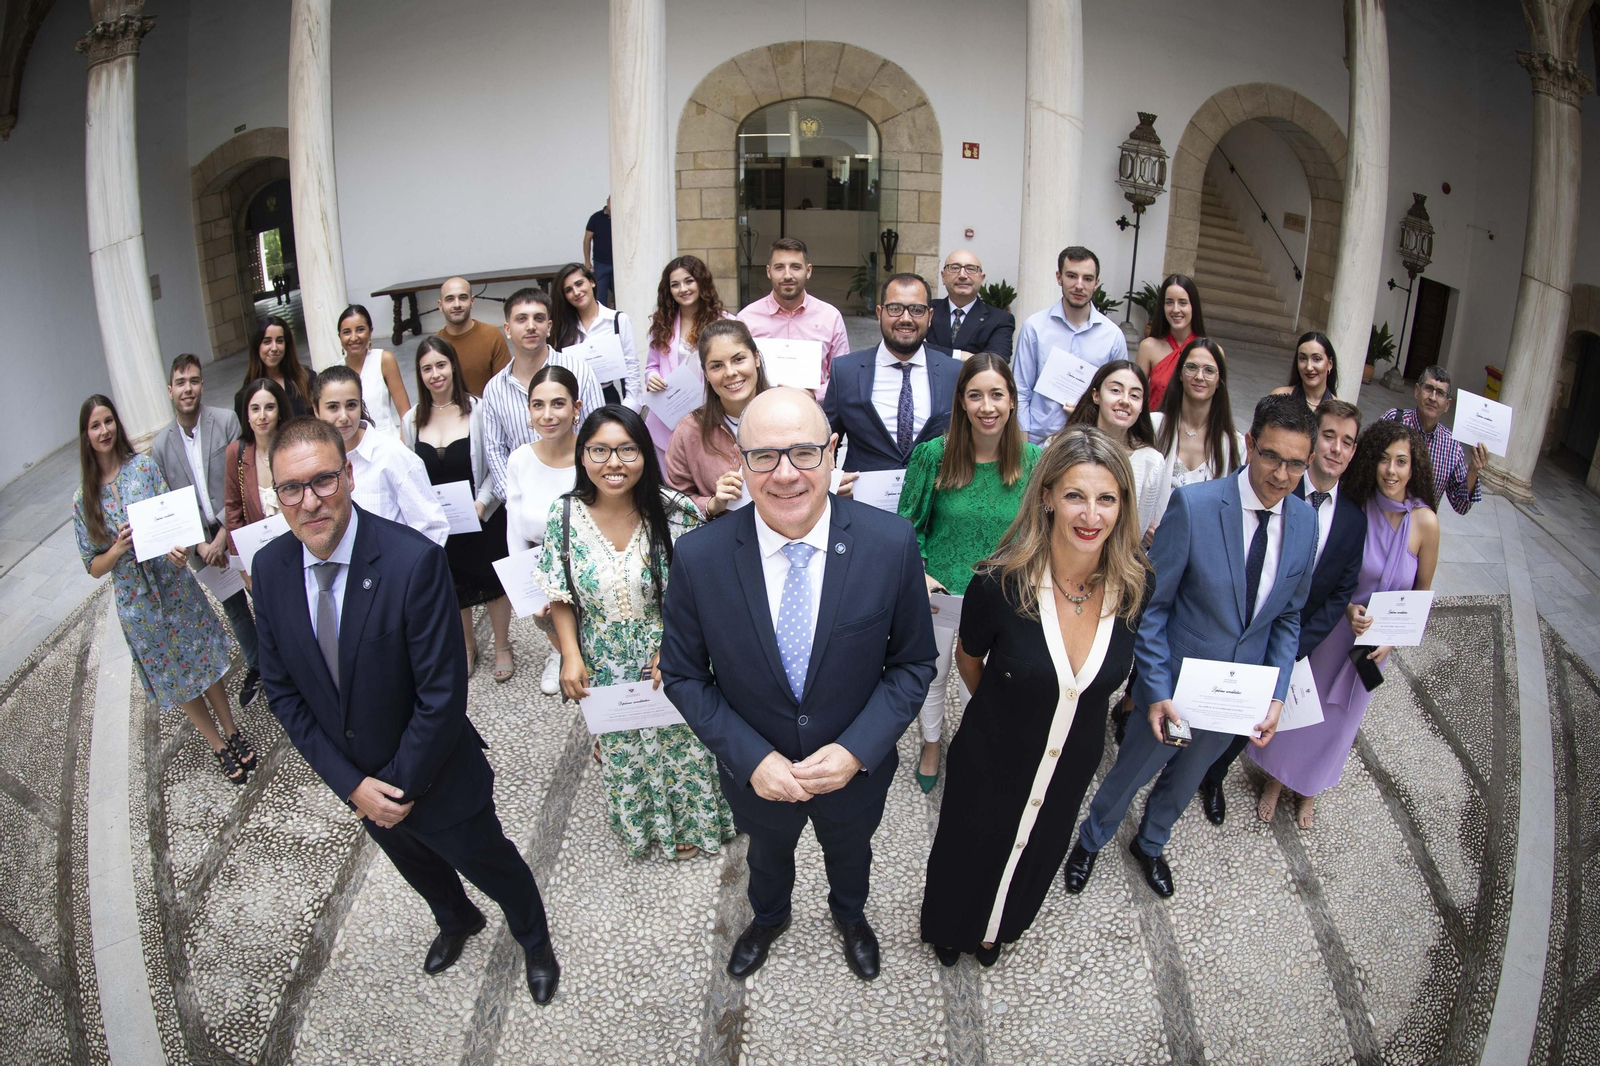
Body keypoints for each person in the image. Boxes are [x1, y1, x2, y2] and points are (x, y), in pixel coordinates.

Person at [252, 417, 560, 1003]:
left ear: (347, 476)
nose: (309, 501)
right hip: (360, 782)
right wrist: (354, 786)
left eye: (322, 481)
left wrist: (395, 789)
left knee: (491, 863)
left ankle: (534, 936)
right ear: (277, 495)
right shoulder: (269, 570)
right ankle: (455, 919)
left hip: (436, 776)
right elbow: (283, 691)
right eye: (291, 488)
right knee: (417, 865)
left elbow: (441, 696)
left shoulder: (411, 562)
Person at [659, 388, 938, 982]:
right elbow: (683, 674)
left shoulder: (890, 545)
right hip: (755, 775)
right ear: (740, 460)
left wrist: (857, 750)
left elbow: (913, 665)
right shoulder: (699, 559)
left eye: (805, 453)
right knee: (767, 856)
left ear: (833, 452)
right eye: (765, 456)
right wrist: (751, 758)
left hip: (853, 773)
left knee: (851, 854)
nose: (786, 474)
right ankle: (768, 917)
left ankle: (850, 916)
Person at [1065, 395, 1319, 899]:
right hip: (1176, 690)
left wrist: (1274, 694)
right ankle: (1091, 839)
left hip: (1238, 696)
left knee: (1187, 781)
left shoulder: (1307, 522)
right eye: (1271, 456)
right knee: (1133, 771)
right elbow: (1152, 608)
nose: (1281, 474)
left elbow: (1288, 616)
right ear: (1250, 445)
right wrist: (1155, 689)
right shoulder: (1197, 506)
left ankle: (1152, 843)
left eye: (1295, 463)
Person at [921, 427, 1149, 965]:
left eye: (1106, 498)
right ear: (1046, 496)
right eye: (1075, 495)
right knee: (969, 847)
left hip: (1071, 764)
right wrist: (1011, 711)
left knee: (1037, 851)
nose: (1090, 515)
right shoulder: (997, 583)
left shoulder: (1136, 587)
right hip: (992, 752)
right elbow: (968, 660)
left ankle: (996, 928)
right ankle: (952, 929)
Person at [538, 406, 735, 860]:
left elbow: (702, 590)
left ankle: (698, 822)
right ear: (582, 455)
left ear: (645, 454)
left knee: (685, 745)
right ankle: (648, 828)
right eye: (600, 450)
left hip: (673, 649)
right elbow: (562, 593)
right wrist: (570, 654)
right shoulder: (564, 516)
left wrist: (676, 647)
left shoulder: (673, 510)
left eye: (627, 449)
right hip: (604, 657)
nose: (614, 462)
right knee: (626, 752)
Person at [1250, 418, 1439, 828]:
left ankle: (1309, 788)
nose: (1391, 470)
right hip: (1338, 630)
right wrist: (1350, 609)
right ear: (1371, 461)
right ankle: (1277, 779)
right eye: (1385, 460)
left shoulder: (1425, 523)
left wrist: (1391, 639)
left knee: (1339, 723)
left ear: (1413, 468)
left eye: (1401, 462)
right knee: (1304, 707)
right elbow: (1341, 571)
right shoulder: (1360, 506)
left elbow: (1422, 592)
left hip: (1375, 646)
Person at [1198, 398, 1367, 825]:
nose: (1337, 448)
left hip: (1289, 643)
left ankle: (1212, 777)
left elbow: (1340, 591)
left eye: (1347, 442)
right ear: (1313, 443)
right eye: (1329, 435)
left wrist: (1294, 649)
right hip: (1236, 623)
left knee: (1250, 721)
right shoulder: (1271, 484)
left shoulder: (1352, 519)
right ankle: (1179, 765)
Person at [75, 395, 252, 785]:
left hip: (174, 586)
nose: (103, 431)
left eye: (108, 422)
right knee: (176, 674)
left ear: (116, 425)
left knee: (201, 661)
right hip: (138, 606)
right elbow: (92, 565)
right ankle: (218, 745)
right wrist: (117, 549)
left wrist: (181, 550)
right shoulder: (83, 499)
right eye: (95, 426)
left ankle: (232, 731)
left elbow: (175, 522)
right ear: (86, 436)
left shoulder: (144, 468)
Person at [898, 354, 1041, 791]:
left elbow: (1040, 530)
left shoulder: (1033, 460)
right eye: (975, 395)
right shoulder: (933, 456)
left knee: (995, 676)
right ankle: (932, 742)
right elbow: (907, 525)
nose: (987, 406)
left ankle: (986, 737)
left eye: (997, 394)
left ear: (1013, 401)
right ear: (961, 401)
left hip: (1003, 596)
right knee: (936, 672)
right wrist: (919, 575)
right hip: (943, 591)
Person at [151, 353, 262, 708]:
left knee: (262, 592)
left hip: (236, 526)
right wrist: (200, 544)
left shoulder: (226, 421)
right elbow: (166, 500)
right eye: (181, 382)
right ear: (170, 390)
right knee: (234, 607)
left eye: (194, 381)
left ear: (202, 384)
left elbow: (242, 481)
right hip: (200, 544)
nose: (188, 389)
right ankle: (259, 667)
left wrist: (221, 538)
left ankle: (286, 661)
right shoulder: (160, 445)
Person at [402, 337, 513, 682]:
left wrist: (482, 503)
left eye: (441, 365)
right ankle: (467, 646)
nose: (435, 374)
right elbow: (409, 474)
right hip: (440, 524)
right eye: (427, 368)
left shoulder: (477, 410)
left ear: (453, 366)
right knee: (454, 585)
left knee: (492, 583)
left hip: (482, 514)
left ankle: (501, 645)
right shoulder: (410, 420)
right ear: (419, 375)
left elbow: (497, 462)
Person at [822, 273, 961, 473]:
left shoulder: (954, 373)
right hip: (862, 500)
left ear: (930, 317)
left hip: (932, 500)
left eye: (916, 310)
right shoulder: (845, 372)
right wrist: (833, 483)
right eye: (895, 309)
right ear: (880, 313)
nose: (906, 319)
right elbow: (827, 444)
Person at [482, 288, 606, 502]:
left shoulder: (579, 371)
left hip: (579, 494)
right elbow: (495, 451)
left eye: (538, 318)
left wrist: (586, 491)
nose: (531, 326)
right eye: (521, 319)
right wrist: (515, 499)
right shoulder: (495, 389)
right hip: (524, 499)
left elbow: (598, 433)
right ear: (508, 329)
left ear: (548, 327)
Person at [505, 365, 582, 696]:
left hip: (589, 567)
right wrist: (529, 592)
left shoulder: (592, 454)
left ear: (576, 408)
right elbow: (514, 528)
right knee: (549, 622)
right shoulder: (520, 459)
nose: (547, 415)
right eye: (538, 405)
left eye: (558, 403)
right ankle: (560, 652)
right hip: (542, 571)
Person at [312, 367, 450, 546]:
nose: (344, 416)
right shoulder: (312, 461)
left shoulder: (392, 455)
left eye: (351, 405)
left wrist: (403, 572)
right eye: (333, 407)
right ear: (316, 409)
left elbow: (433, 528)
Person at [1014, 246, 1129, 443]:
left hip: (1090, 444)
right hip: (1039, 444)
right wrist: (1024, 447)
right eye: (1071, 276)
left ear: (1096, 283)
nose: (1079, 285)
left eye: (1087, 278)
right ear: (1059, 277)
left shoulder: (1112, 336)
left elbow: (1118, 394)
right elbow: (1020, 390)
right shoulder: (1035, 328)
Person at [664, 319, 772, 516]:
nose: (730, 372)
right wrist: (712, 504)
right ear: (705, 374)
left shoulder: (790, 413)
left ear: (756, 358)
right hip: (721, 539)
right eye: (717, 366)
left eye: (739, 359)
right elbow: (674, 501)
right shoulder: (689, 431)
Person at [1148, 338, 1247, 531]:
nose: (1199, 376)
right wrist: (1141, 527)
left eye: (1209, 370)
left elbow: (1233, 510)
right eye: (1192, 367)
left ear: (1219, 381)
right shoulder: (1153, 426)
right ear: (1180, 374)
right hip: (1147, 550)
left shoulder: (1235, 444)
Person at [737, 238, 851, 397]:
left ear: (808, 271)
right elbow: (737, 373)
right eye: (779, 267)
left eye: (796, 267)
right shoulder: (746, 320)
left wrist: (814, 395)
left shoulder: (830, 318)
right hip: (759, 410)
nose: (787, 275)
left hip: (814, 412)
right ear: (769, 271)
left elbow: (843, 377)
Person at [644, 255, 733, 460]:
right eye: (675, 285)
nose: (683, 289)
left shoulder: (725, 323)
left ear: (701, 282)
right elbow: (651, 367)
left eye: (689, 281)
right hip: (668, 416)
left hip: (711, 413)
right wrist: (652, 378)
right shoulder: (661, 326)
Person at [1065, 359, 1165, 533]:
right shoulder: (1061, 447)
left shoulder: (1151, 462)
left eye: (1134, 395)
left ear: (1142, 406)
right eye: (1116, 390)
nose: (1125, 401)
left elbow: (1136, 534)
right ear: (1096, 395)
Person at [1382, 365, 1488, 515]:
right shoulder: (1393, 420)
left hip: (1418, 532)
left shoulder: (1452, 447)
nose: (1432, 397)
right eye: (1428, 388)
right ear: (1417, 391)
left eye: (1439, 393)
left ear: (1447, 404)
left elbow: (1461, 506)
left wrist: (1473, 471)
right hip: (1379, 518)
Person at [551, 262, 642, 410]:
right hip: (575, 402)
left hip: (609, 398)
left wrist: (628, 409)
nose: (576, 292)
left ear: (592, 282)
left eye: (579, 284)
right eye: (568, 290)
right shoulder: (563, 327)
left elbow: (632, 370)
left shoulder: (617, 320)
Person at [224, 378, 288, 550]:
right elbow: (233, 511)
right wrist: (241, 563)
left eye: (269, 407)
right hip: (261, 554)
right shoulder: (235, 453)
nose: (262, 416)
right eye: (255, 409)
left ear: (280, 410)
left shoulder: (294, 447)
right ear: (247, 415)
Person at [925, 250, 1016, 359]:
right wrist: (961, 355)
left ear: (982, 279)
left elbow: (995, 362)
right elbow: (910, 348)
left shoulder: (1000, 319)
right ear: (943, 277)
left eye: (971, 269)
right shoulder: (924, 310)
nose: (962, 275)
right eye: (954, 268)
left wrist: (930, 349)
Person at [1134, 274, 1205, 411]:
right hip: (1154, 428)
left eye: (1183, 302)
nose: (1176, 309)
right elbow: (1136, 395)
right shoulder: (1148, 347)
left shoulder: (1209, 350)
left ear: (1193, 306)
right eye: (1169, 302)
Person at [339, 304, 410, 436]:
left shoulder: (383, 360)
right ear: (339, 336)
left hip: (386, 442)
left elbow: (406, 414)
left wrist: (403, 444)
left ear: (370, 331)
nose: (354, 337)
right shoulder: (335, 371)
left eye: (360, 330)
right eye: (347, 332)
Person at [434, 276, 511, 397]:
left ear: (472, 301)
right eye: (450, 299)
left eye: (463, 298)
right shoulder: (435, 345)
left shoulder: (492, 336)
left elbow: (505, 387)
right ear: (440, 305)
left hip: (487, 412)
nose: (457, 304)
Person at [236, 315, 310, 420]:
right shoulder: (243, 397)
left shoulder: (306, 378)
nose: (274, 348)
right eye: (267, 342)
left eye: (279, 341)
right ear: (257, 346)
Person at [1271, 331, 1339, 411]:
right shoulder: (1279, 398)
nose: (1309, 367)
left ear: (1330, 364)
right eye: (1303, 358)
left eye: (1317, 359)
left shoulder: (1338, 411)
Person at [583, 197, 614, 307]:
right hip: (601, 264)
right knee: (600, 295)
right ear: (607, 202)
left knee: (619, 295)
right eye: (611, 201)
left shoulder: (622, 218)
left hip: (619, 264)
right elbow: (587, 240)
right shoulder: (595, 218)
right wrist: (587, 262)